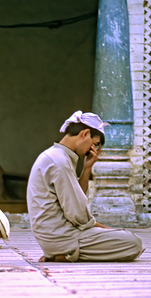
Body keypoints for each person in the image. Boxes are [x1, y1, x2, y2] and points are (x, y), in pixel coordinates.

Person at [27, 111, 144, 262]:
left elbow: (75, 200)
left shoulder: (57, 156)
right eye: (94, 144)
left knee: (125, 237)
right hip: (62, 237)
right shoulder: (59, 162)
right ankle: (66, 253)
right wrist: (107, 229)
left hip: (56, 236)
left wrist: (87, 168)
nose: (93, 150)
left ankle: (63, 253)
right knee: (133, 243)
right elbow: (79, 216)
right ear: (85, 133)